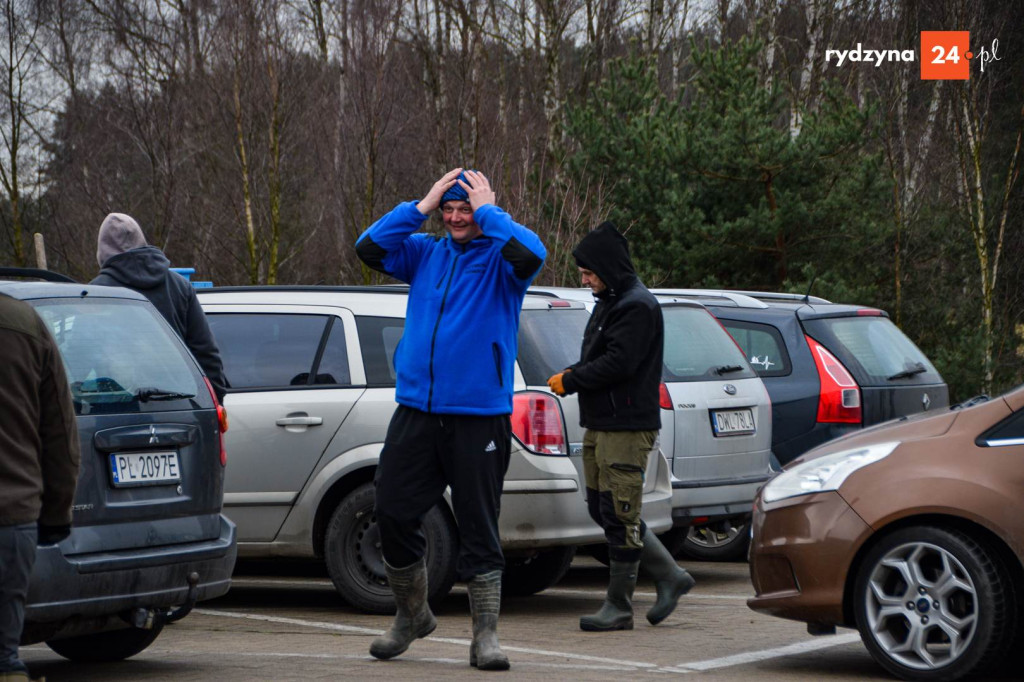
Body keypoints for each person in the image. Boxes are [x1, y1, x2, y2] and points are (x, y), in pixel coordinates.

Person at [355, 168, 546, 670]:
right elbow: (369, 249)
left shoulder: (504, 264)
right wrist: (420, 205)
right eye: (451, 210)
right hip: (416, 412)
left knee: (478, 526)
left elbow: (534, 253)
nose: (458, 218)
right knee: (393, 510)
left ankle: (485, 635)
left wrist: (490, 211)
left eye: (466, 210)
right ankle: (412, 614)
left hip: (478, 417)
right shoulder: (425, 253)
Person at [547, 222, 695, 632]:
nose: (585, 279)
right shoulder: (612, 300)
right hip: (601, 422)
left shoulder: (636, 305)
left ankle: (619, 606)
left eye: (589, 272)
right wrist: (575, 373)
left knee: (620, 512)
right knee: (603, 508)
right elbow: (602, 353)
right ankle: (669, 575)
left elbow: (619, 362)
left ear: (608, 268)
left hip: (626, 426)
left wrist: (572, 379)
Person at [0, 293, 81, 681]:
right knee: (5, 655)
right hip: (12, 516)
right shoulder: (24, 322)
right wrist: (55, 513)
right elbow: (61, 433)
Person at [90, 213, 228, 401]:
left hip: (115, 410)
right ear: (142, 242)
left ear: (103, 252)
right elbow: (206, 353)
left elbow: (77, 359)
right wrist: (214, 402)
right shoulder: (179, 286)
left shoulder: (94, 294)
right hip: (181, 407)